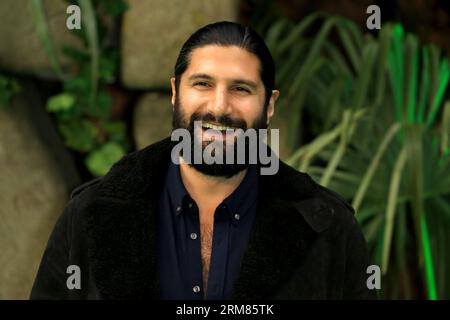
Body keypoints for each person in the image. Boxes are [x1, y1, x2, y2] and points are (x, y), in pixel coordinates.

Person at [30, 21, 375, 300]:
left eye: (241, 89)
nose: (219, 106)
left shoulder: (329, 226)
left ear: (269, 106)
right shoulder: (89, 214)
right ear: (175, 91)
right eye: (203, 84)